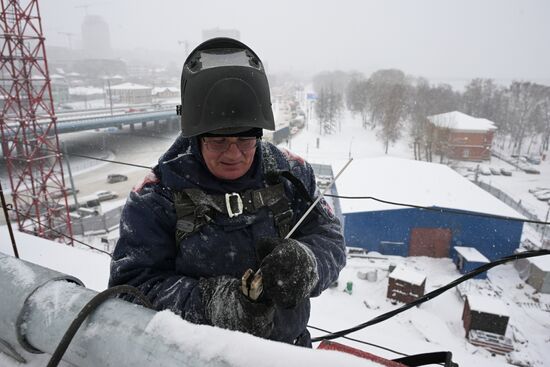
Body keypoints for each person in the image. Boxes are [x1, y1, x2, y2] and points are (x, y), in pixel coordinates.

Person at [108, 37, 346, 347]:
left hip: (287, 351)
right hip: (195, 355)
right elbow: (130, 290)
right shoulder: (158, 198)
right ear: (195, 135)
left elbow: (331, 239)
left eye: (245, 140)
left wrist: (308, 263)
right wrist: (214, 305)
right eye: (218, 141)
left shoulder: (289, 175)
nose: (233, 154)